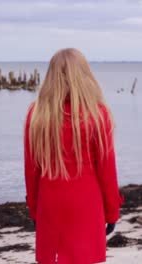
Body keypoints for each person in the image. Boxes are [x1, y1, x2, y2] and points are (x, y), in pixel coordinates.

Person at [23, 48, 124, 264]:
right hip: (87, 206)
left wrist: (34, 210)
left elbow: (31, 172)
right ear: (84, 76)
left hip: (50, 205)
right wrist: (112, 212)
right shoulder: (97, 115)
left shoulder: (37, 114)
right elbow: (107, 172)